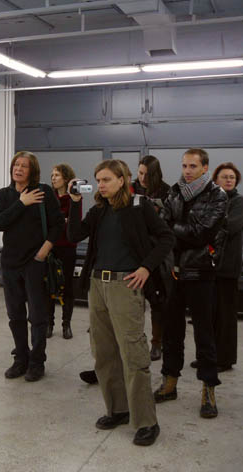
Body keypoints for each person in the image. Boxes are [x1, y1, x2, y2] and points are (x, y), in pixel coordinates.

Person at [68, 159, 174, 446]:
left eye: (106, 180)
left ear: (122, 180)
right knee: (104, 353)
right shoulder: (99, 209)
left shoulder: (140, 206)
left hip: (125, 286)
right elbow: (74, 235)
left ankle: (146, 421)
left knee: (133, 354)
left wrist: (146, 268)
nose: (100, 185)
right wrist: (75, 203)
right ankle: (118, 410)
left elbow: (166, 238)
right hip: (97, 285)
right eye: (98, 180)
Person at [154, 148, 228, 419]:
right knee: (171, 333)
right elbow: (160, 228)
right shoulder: (175, 192)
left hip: (200, 272)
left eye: (193, 166)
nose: (187, 170)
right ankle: (169, 383)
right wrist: (173, 228)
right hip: (173, 272)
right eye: (184, 165)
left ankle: (208, 390)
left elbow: (201, 234)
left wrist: (172, 226)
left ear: (205, 167)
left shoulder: (217, 195)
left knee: (204, 335)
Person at [0, 152, 64, 382]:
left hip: (35, 262)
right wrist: (21, 203)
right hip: (10, 263)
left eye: (24, 166)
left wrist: (43, 251)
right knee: (15, 315)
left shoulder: (43, 192)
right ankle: (20, 359)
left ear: (32, 171)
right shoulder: (3, 195)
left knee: (37, 315)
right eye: (16, 165)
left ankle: (37, 361)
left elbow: (58, 225)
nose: (19, 169)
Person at [133, 156, 171, 361]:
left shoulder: (167, 191)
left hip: (157, 254)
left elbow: (168, 227)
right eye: (140, 173)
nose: (142, 178)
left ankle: (157, 343)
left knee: (158, 302)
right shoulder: (131, 188)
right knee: (133, 301)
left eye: (147, 174)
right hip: (134, 252)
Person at [210, 162, 242, 372]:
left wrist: (209, 224)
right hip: (210, 266)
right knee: (211, 315)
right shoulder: (212, 200)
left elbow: (230, 226)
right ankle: (210, 357)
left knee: (226, 316)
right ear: (216, 180)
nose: (229, 180)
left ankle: (225, 359)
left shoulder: (239, 202)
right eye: (225, 176)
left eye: (232, 177)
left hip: (228, 267)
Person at [48, 163, 79, 339]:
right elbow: (49, 221)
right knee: (49, 285)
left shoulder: (73, 197)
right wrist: (62, 220)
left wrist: (60, 220)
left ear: (66, 178)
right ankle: (49, 324)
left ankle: (66, 324)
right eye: (52, 175)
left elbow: (73, 223)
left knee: (67, 286)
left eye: (57, 175)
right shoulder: (49, 197)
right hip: (51, 246)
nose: (53, 178)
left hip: (68, 247)